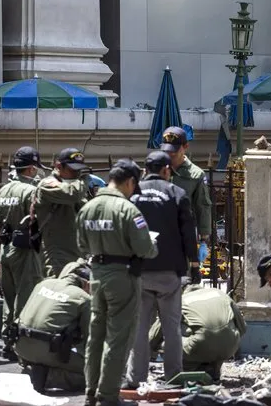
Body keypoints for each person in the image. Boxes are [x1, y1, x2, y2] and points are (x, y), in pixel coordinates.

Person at [76, 158, 157, 406]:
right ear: (130, 182)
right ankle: (108, 396)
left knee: (95, 336)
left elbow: (80, 245)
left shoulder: (87, 208)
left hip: (96, 275)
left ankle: (91, 392)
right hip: (122, 276)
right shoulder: (128, 211)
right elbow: (144, 248)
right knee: (118, 338)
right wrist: (152, 246)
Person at [123, 151, 199, 389]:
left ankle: (136, 378)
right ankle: (174, 377)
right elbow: (188, 233)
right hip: (169, 272)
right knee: (172, 327)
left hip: (139, 270)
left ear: (146, 169)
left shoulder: (132, 195)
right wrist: (194, 264)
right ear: (167, 170)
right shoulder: (177, 194)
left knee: (140, 327)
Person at [0, 146, 47, 360]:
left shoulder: (4, 190)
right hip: (25, 250)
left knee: (9, 297)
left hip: (6, 248)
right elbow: (39, 219)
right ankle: (19, 343)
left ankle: (7, 340)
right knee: (25, 297)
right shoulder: (31, 191)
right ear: (31, 169)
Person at [14, 260, 91, 393]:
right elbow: (91, 337)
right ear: (87, 284)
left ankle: (31, 368)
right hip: (48, 351)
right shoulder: (83, 297)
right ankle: (49, 376)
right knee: (94, 375)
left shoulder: (43, 284)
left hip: (20, 346)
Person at [160, 127, 212, 264]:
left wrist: (203, 241)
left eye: (174, 150)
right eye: (166, 150)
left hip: (183, 234)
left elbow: (203, 206)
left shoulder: (196, 174)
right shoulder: (156, 168)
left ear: (185, 147)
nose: (170, 154)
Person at [34, 148, 88, 277]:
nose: (77, 174)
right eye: (72, 170)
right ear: (59, 166)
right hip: (56, 254)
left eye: (79, 170)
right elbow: (72, 194)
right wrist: (84, 182)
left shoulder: (76, 186)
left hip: (77, 252)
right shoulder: (47, 184)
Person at [180, 285, 246, 380]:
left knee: (170, 337)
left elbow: (160, 330)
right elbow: (242, 328)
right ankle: (214, 367)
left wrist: (152, 351)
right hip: (229, 348)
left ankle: (191, 370)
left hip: (198, 346)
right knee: (219, 336)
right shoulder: (220, 294)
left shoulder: (182, 300)